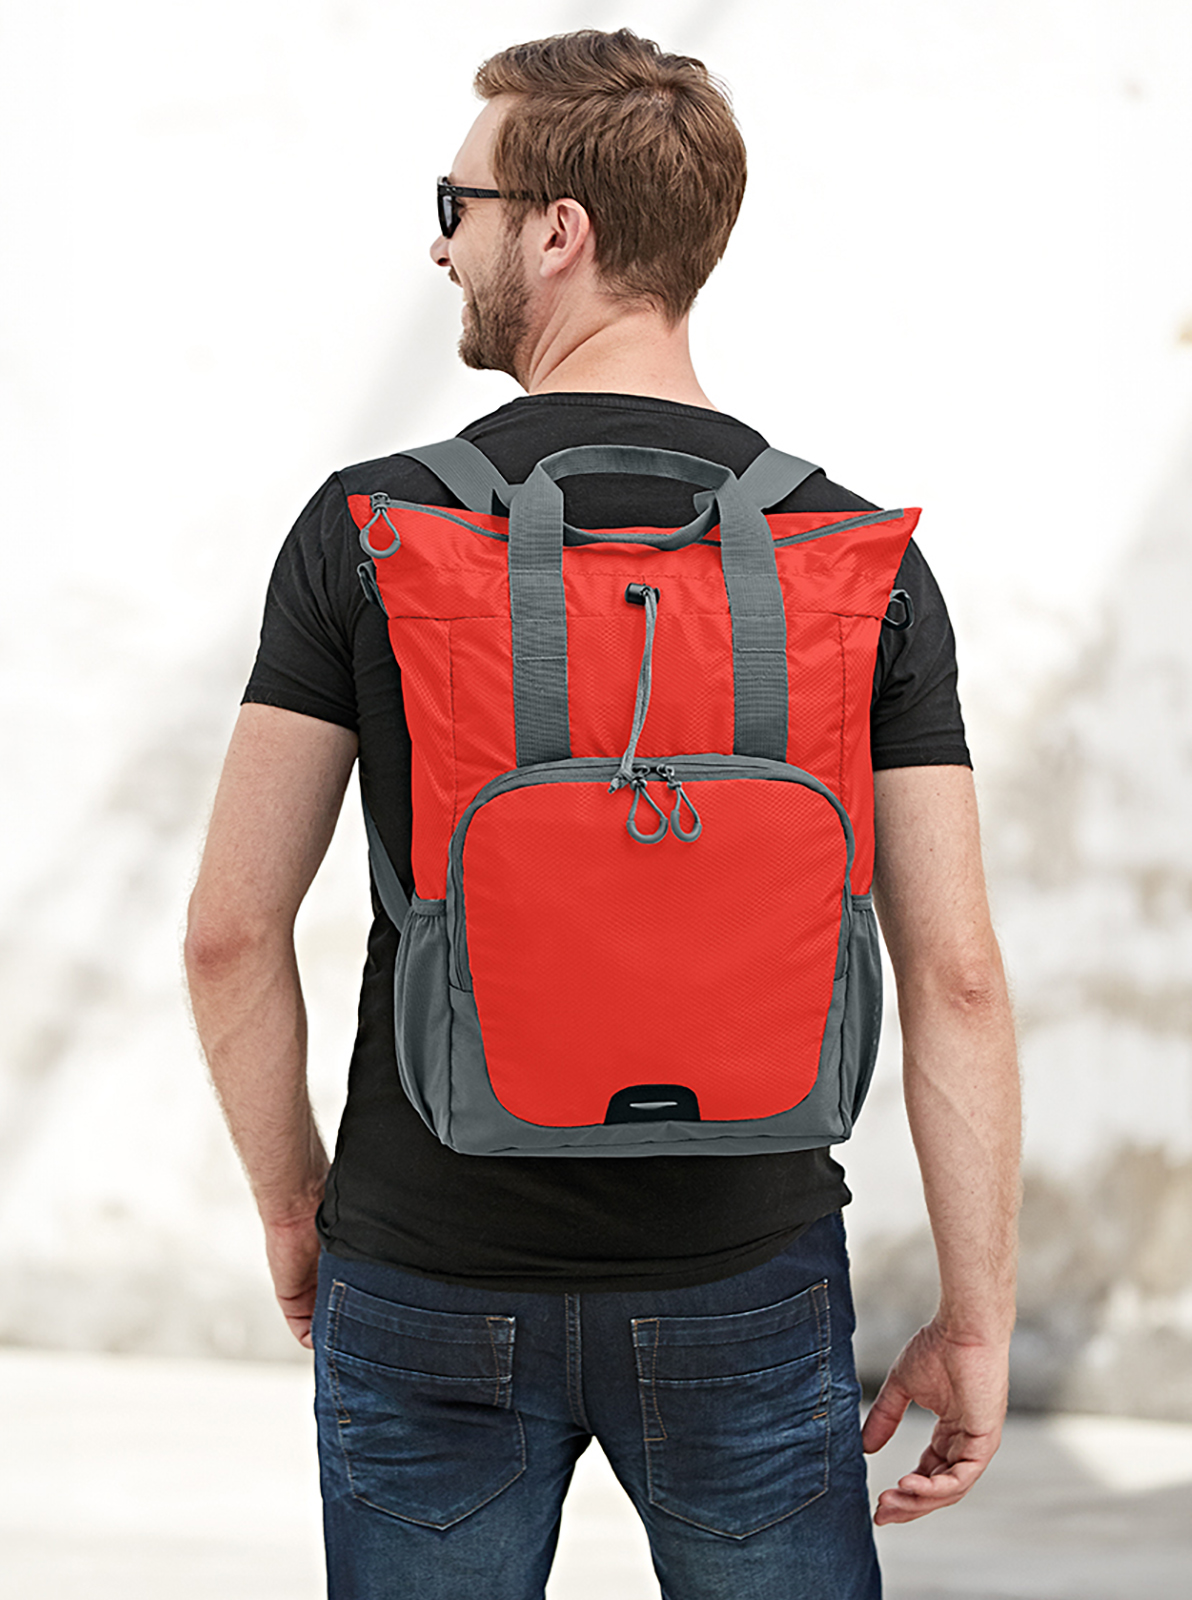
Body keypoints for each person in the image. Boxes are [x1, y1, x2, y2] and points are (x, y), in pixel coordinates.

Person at [185, 28, 1020, 1600]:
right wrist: (978, 1318)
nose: (442, 244)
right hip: (745, 1277)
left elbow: (230, 932)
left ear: (557, 229)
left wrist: (301, 1209)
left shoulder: (369, 529)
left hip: (425, 1266)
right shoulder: (857, 558)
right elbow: (957, 976)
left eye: (459, 203)